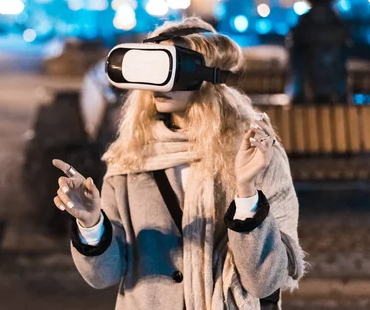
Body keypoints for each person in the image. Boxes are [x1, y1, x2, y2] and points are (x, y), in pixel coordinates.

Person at [51, 17, 304, 310]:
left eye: (170, 69)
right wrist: (92, 223)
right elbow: (103, 276)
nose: (158, 84)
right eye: (151, 70)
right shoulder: (131, 156)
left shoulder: (255, 153)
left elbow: (266, 282)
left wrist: (246, 192)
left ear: (207, 77)